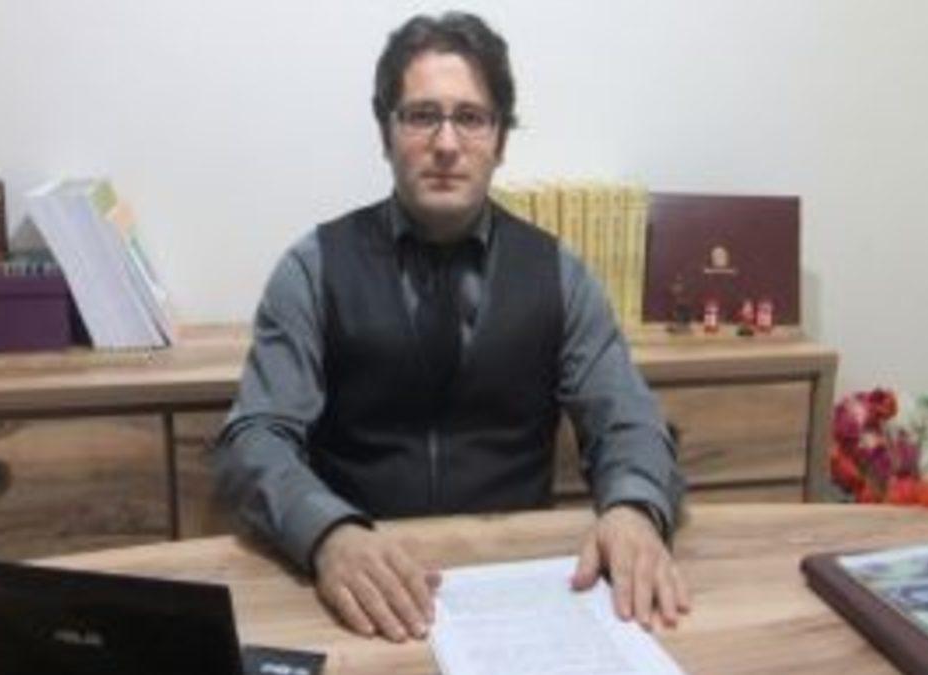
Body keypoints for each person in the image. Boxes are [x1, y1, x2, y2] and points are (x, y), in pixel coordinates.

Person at [213, 11, 689, 643]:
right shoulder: (313, 268)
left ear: (500, 139)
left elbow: (628, 420)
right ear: (385, 133)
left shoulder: (561, 274)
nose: (445, 143)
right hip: (356, 588)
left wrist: (633, 508)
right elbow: (255, 438)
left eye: (470, 117)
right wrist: (326, 533)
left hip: (521, 594)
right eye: (421, 116)